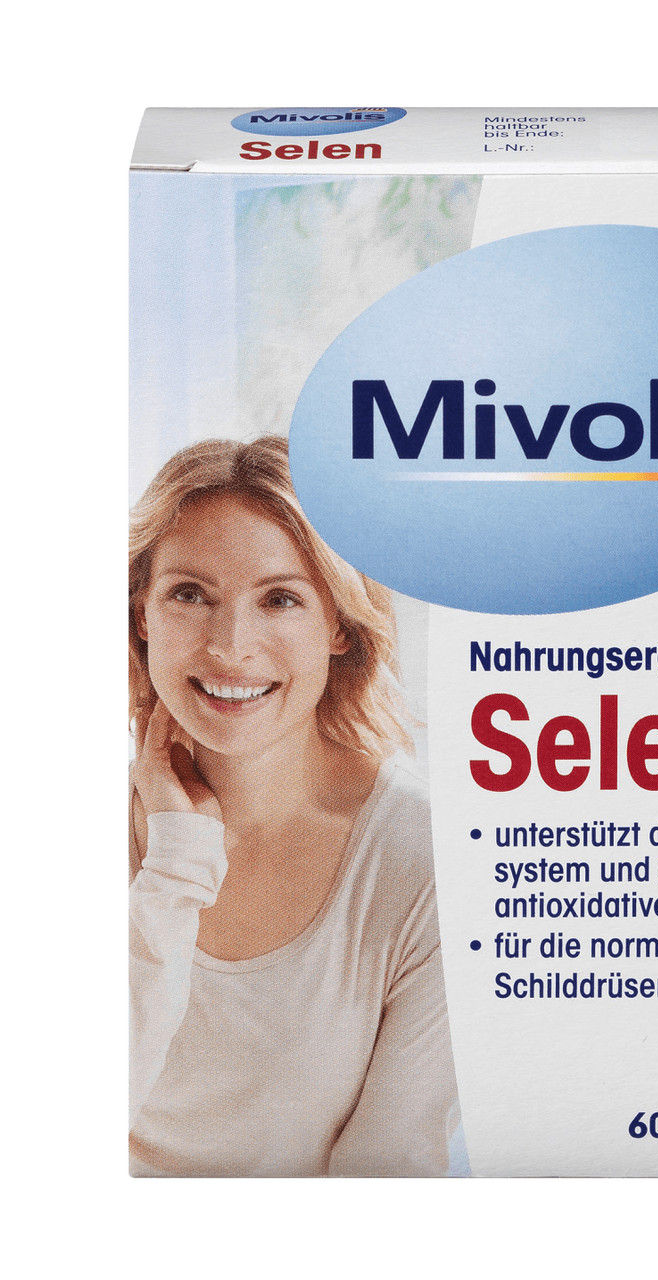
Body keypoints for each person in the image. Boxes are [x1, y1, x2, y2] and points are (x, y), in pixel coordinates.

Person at [129, 435, 459, 1176]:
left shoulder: (426, 859)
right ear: (142, 611)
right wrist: (175, 867)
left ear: (339, 623)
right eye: (189, 593)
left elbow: (390, 1174)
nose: (230, 647)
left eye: (280, 599)